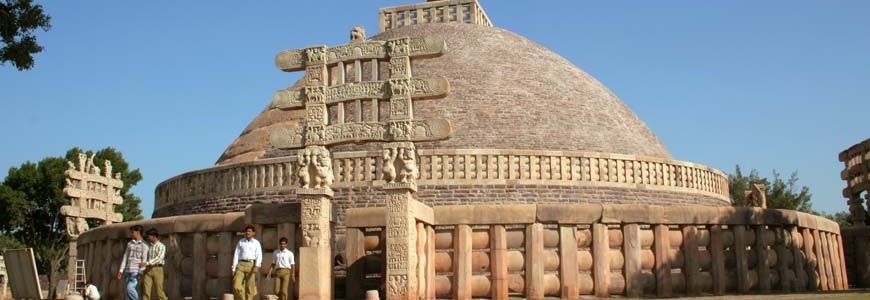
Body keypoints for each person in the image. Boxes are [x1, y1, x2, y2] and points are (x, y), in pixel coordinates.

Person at [232, 225, 262, 300]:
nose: (247, 233)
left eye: (249, 231)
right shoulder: (241, 242)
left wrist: (257, 266)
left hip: (251, 265)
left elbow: (259, 255)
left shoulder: (256, 243)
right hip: (241, 265)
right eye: (247, 231)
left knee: (250, 287)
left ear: (253, 233)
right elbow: (236, 255)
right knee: (236, 285)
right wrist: (233, 268)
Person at [117, 225, 147, 300]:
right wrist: (121, 270)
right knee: (127, 293)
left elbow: (144, 259)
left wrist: (141, 271)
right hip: (128, 270)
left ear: (138, 232)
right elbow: (125, 257)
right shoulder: (130, 244)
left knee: (129, 288)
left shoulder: (144, 245)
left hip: (136, 271)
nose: (131, 234)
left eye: (132, 232)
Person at [140, 228, 168, 300]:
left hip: (157, 269)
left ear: (153, 236)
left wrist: (148, 263)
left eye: (149, 236)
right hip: (148, 269)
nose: (148, 238)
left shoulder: (161, 246)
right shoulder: (150, 246)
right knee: (146, 291)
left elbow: (159, 258)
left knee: (159, 291)